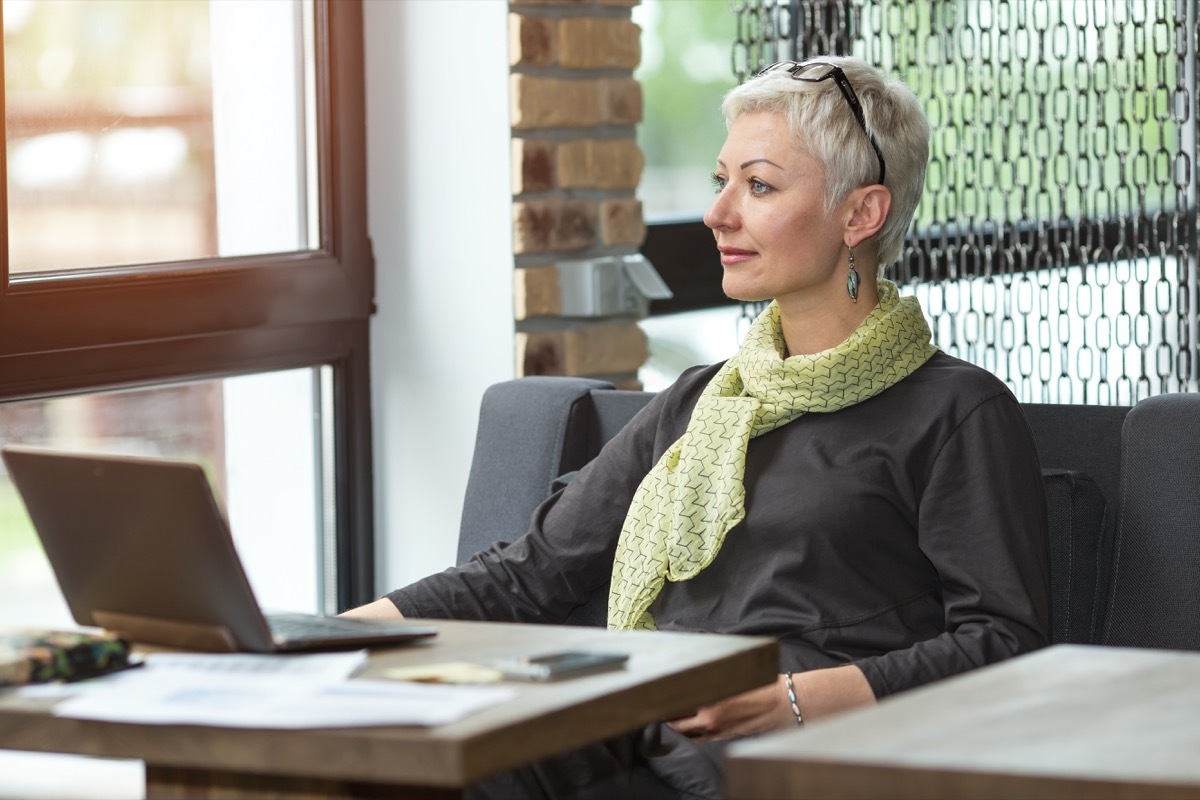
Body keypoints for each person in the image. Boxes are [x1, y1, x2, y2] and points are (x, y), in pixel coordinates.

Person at [346, 55, 1050, 799]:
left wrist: (789, 701)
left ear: (860, 214)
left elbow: (1004, 642)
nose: (719, 214)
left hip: (812, 756)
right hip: (643, 727)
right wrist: (325, 635)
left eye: (759, 185)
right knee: (412, 764)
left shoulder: (954, 410)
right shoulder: (700, 401)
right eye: (723, 182)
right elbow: (533, 572)